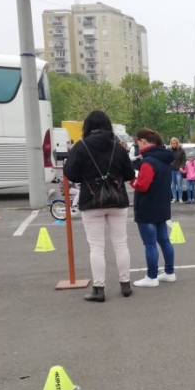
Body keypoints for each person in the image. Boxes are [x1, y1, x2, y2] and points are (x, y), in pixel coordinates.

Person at [63, 110, 135, 302]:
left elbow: (70, 173)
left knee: (96, 247)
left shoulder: (81, 146)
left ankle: (99, 289)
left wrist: (87, 178)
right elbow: (129, 174)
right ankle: (125, 284)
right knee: (120, 244)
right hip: (118, 201)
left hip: (92, 201)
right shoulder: (117, 147)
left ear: (87, 126)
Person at [130, 128, 176, 288]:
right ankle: (169, 272)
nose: (137, 147)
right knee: (164, 240)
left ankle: (151, 276)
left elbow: (142, 186)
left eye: (137, 143)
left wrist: (131, 181)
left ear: (143, 141)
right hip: (162, 205)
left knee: (149, 243)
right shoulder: (164, 159)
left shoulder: (148, 162)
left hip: (147, 207)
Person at [169, 137, 186, 203]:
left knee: (179, 184)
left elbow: (184, 160)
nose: (173, 144)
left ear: (177, 143)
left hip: (178, 169)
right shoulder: (169, 150)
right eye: (172, 143)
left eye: (174, 143)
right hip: (171, 169)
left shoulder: (181, 150)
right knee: (173, 184)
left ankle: (180, 198)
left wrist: (182, 167)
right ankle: (174, 198)